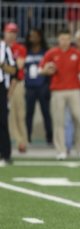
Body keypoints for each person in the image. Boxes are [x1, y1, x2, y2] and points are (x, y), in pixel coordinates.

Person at [39, 29, 80, 160]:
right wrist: (46, 70)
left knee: (78, 119)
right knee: (58, 121)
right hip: (57, 91)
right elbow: (40, 69)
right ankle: (61, 150)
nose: (64, 41)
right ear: (58, 39)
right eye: (62, 39)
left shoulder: (76, 53)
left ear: (70, 39)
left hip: (74, 90)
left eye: (67, 39)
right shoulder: (51, 53)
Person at [24, 29, 52, 145]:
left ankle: (49, 137)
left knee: (46, 113)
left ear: (40, 37)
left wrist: (47, 85)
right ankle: (27, 137)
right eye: (31, 36)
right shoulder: (26, 51)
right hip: (30, 87)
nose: (32, 38)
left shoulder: (46, 52)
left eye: (35, 36)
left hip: (42, 86)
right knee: (29, 113)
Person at [4, 23, 28, 153]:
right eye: (9, 32)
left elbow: (18, 66)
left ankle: (22, 141)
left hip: (17, 82)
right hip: (4, 82)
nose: (11, 34)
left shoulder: (20, 48)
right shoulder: (2, 47)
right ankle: (17, 141)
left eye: (13, 32)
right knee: (8, 115)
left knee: (19, 113)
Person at [0, 38, 17, 166]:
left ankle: (5, 154)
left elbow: (14, 70)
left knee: (2, 121)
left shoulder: (4, 47)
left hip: (0, 86)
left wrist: (2, 65)